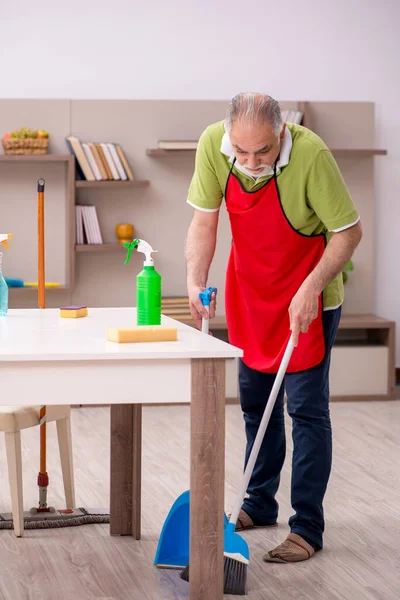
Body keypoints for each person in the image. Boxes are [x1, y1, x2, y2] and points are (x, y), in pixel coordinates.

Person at [184, 93, 362, 563]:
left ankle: (307, 527)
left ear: (281, 133)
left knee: (305, 411)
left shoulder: (311, 153)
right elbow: (205, 221)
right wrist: (194, 280)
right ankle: (258, 503)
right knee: (255, 405)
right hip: (252, 296)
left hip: (309, 297)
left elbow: (348, 232)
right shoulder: (212, 145)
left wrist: (312, 288)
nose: (250, 162)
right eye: (240, 153)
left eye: (261, 152)